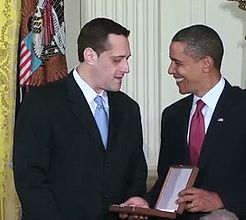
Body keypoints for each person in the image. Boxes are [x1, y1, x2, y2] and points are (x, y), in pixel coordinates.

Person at [121, 24, 246, 220]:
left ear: (206, 63)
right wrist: (146, 202)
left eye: (177, 63)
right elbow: (167, 183)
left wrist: (221, 199)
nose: (171, 70)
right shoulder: (173, 116)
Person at [13, 17, 147, 220]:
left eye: (127, 59)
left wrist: (136, 198)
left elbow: (136, 172)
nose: (125, 68)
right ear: (90, 55)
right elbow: (30, 179)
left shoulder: (129, 109)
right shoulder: (42, 103)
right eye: (117, 60)